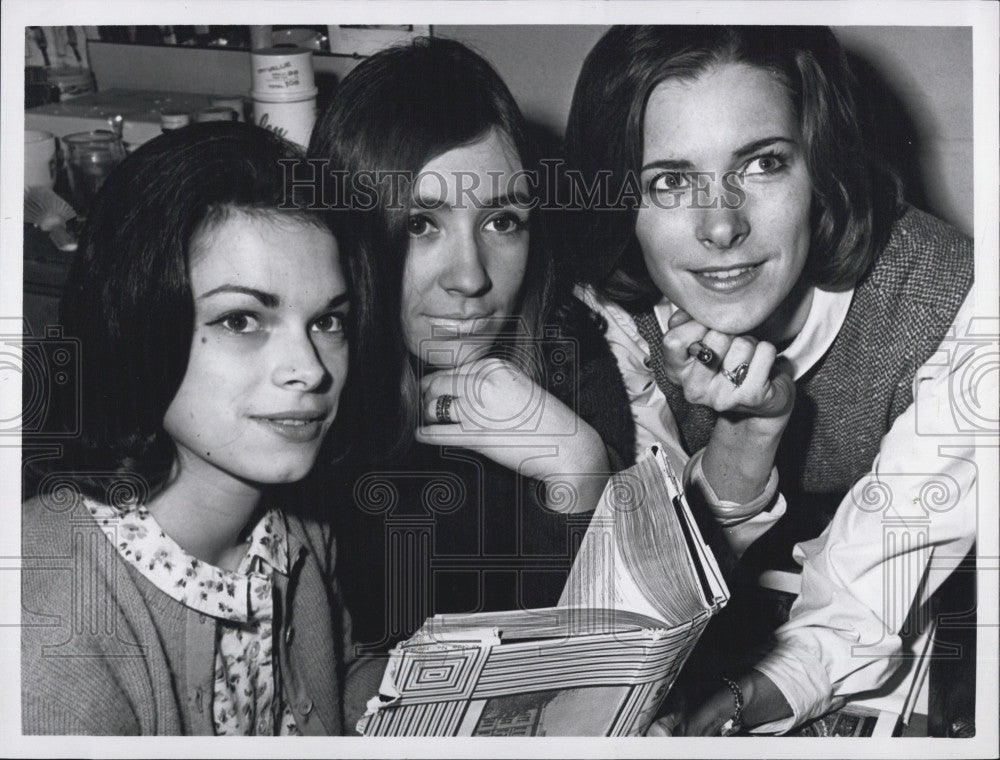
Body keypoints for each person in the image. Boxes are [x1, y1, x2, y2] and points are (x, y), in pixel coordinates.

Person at [563, 25, 978, 734]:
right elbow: (639, 602)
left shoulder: (956, 300)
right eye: (669, 181)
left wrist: (752, 696)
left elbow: (869, 594)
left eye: (762, 165)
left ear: (822, 169)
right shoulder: (610, 322)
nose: (720, 226)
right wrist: (744, 441)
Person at [21, 122, 381, 735]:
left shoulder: (295, 522)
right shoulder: (49, 623)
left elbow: (336, 676)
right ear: (136, 325)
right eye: (242, 319)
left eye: (327, 321)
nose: (310, 370)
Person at [307, 37, 643, 651]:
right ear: (352, 234)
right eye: (420, 224)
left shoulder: (569, 350)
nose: (471, 276)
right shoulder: (306, 397)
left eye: (501, 221)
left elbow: (603, 651)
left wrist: (580, 467)